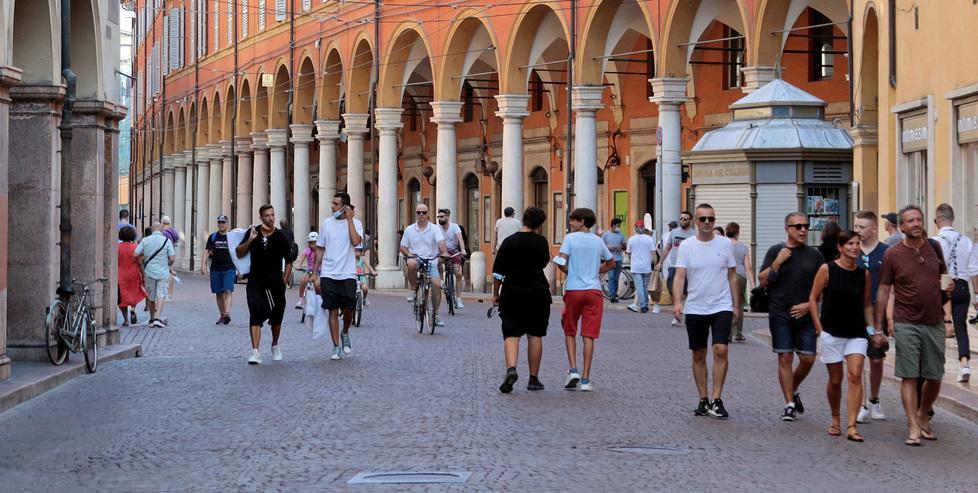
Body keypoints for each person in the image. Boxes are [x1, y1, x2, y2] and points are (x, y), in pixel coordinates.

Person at [875, 205, 953, 446]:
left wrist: (947, 308)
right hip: (906, 321)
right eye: (910, 221)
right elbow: (885, 289)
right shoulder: (893, 254)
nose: (916, 224)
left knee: (935, 375)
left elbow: (943, 276)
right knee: (909, 376)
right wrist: (880, 325)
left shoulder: (935, 247)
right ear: (902, 226)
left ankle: (923, 414)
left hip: (934, 321)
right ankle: (913, 426)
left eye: (918, 219)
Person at [673, 204, 739, 419]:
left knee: (721, 350)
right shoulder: (687, 246)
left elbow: (731, 275)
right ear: (696, 222)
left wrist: (736, 306)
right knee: (699, 353)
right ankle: (703, 398)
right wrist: (677, 302)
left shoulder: (725, 244)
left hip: (721, 305)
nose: (708, 222)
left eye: (711, 218)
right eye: (703, 219)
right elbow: (680, 275)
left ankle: (717, 398)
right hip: (695, 306)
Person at [809, 230, 873, 442]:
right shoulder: (827, 269)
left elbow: (866, 305)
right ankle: (835, 418)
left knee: (855, 375)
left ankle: (852, 425)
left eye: (858, 244)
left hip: (856, 332)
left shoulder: (863, 274)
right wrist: (819, 327)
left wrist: (872, 330)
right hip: (832, 332)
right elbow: (813, 299)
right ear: (840, 247)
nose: (855, 247)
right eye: (850, 244)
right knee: (836, 380)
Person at [759, 212, 824, 422]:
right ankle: (788, 403)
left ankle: (793, 388)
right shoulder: (776, 251)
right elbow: (762, 280)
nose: (803, 229)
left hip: (805, 313)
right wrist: (777, 261)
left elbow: (823, 286)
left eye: (806, 225)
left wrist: (809, 305)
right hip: (780, 312)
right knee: (785, 357)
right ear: (787, 228)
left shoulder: (815, 255)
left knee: (808, 358)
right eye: (797, 226)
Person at [493, 206, 551, 393]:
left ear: (523, 219)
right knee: (535, 334)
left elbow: (498, 272)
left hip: (512, 292)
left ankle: (511, 369)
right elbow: (544, 263)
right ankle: (533, 379)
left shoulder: (509, 242)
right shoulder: (542, 242)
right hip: (538, 292)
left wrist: (496, 294)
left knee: (511, 333)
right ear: (539, 224)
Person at [556, 208, 615, 392]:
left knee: (570, 330)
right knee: (589, 334)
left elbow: (560, 260)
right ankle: (586, 379)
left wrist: (569, 272)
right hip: (594, 290)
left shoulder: (570, 239)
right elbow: (611, 263)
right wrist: (597, 271)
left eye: (573, 220)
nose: (571, 224)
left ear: (581, 221)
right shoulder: (598, 241)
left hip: (574, 288)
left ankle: (573, 369)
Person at [236, 205, 295, 365]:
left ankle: (275, 344)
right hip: (255, 282)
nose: (271, 218)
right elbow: (239, 252)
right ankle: (255, 352)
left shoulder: (281, 237)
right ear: (261, 217)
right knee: (255, 314)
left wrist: (284, 279)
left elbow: (289, 261)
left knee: (276, 318)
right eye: (267, 216)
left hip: (275, 284)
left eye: (272, 215)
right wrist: (250, 239)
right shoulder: (253, 232)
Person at [314, 192, 364, 360]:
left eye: (335, 204)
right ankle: (336, 347)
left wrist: (349, 220)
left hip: (348, 272)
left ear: (345, 207)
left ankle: (345, 332)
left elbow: (357, 242)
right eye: (332, 203)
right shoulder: (326, 224)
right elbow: (320, 248)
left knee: (350, 308)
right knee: (332, 310)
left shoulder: (356, 223)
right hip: (329, 273)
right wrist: (315, 273)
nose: (332, 206)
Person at [853, 211, 892, 422]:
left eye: (861, 227)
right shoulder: (852, 250)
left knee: (876, 359)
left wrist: (890, 317)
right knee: (856, 359)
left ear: (874, 229)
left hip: (877, 315)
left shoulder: (886, 252)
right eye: (856, 226)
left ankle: (875, 399)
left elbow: (891, 286)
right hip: (855, 313)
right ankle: (861, 403)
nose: (857, 230)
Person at [932, 203, 973, 383]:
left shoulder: (935, 242)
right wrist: (977, 294)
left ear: (938, 220)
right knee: (960, 326)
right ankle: (964, 363)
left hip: (944, 284)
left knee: (937, 325)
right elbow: (974, 269)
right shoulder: (966, 241)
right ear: (953, 219)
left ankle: (937, 364)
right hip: (963, 285)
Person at [401, 203, 449, 327]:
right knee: (411, 264)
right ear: (416, 214)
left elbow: (441, 242)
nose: (421, 215)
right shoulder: (410, 229)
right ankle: (413, 289)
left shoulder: (434, 229)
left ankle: (436, 314)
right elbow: (403, 247)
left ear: (428, 214)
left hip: (431, 260)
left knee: (437, 285)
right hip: (416, 258)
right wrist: (410, 254)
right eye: (418, 212)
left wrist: (444, 252)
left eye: (424, 212)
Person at [654, 212, 695, 326]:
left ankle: (687, 312)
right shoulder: (674, 232)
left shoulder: (694, 234)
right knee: (671, 288)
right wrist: (659, 263)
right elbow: (667, 249)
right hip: (674, 265)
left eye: (685, 218)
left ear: (690, 220)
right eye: (681, 218)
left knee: (688, 292)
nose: (682, 220)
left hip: (688, 268)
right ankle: (677, 312)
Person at [134, 221, 175, 328]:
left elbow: (135, 253)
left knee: (151, 296)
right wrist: (167, 264)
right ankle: (158, 317)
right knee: (161, 294)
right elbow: (172, 258)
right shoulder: (167, 241)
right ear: (161, 230)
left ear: (152, 230)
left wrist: (146, 254)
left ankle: (152, 318)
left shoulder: (145, 240)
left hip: (149, 271)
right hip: (163, 271)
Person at [202, 215, 236, 325]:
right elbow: (207, 251)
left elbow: (239, 251)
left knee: (228, 290)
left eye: (223, 222)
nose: (221, 224)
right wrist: (203, 264)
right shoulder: (213, 237)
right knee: (219, 293)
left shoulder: (232, 237)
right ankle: (223, 315)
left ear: (227, 223)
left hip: (229, 268)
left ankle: (226, 313)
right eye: (220, 222)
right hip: (215, 269)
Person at [726, 222, 755, 342]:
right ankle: (738, 333)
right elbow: (748, 267)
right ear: (738, 232)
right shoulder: (743, 247)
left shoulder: (723, 245)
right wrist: (753, 284)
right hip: (740, 276)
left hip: (727, 275)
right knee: (739, 304)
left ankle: (727, 333)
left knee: (727, 303)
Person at [437, 208, 468, 310]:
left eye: (442, 217)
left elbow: (460, 239)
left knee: (458, 274)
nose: (439, 219)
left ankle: (458, 299)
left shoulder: (455, 227)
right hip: (442, 251)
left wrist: (463, 249)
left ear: (447, 217)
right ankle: (441, 280)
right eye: (438, 217)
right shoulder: (436, 228)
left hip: (454, 252)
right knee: (436, 261)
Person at [626, 221, 656, 313]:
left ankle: (643, 306)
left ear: (635, 228)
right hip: (646, 266)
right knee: (645, 286)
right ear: (644, 228)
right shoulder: (649, 239)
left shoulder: (631, 239)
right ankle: (645, 304)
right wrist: (655, 264)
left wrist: (632, 259)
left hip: (636, 266)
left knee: (639, 286)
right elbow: (653, 253)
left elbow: (629, 253)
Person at [117, 226, 144, 326]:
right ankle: (133, 309)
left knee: (122, 297)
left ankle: (126, 320)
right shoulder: (135, 247)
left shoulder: (117, 247)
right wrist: (143, 275)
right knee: (134, 293)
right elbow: (140, 263)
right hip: (133, 274)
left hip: (120, 275)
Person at [602, 218, 627, 303]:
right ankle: (612, 295)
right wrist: (608, 248)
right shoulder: (606, 235)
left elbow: (625, 246)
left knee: (616, 278)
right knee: (611, 277)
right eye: (618, 225)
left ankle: (614, 293)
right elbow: (601, 246)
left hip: (619, 258)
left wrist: (622, 246)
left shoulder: (621, 235)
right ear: (613, 226)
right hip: (609, 258)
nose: (619, 227)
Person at [295, 232, 320, 310]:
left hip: (319, 271)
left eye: (314, 243)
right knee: (303, 280)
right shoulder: (307, 251)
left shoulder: (320, 251)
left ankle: (320, 300)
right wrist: (298, 265)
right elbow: (302, 258)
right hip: (309, 270)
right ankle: (301, 299)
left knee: (317, 285)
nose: (313, 245)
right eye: (311, 243)